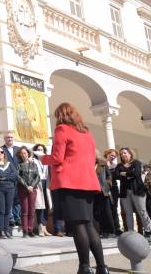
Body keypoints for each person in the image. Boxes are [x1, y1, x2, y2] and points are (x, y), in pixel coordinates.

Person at [39, 102, 108, 274]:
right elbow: (92, 158)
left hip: (70, 182)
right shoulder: (87, 133)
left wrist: (42, 158)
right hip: (87, 183)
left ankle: (84, 267)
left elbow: (57, 158)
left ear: (61, 115)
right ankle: (102, 267)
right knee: (88, 224)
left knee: (78, 225)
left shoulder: (62, 129)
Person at [115, 147, 151, 236]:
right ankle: (131, 232)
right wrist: (129, 174)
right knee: (128, 213)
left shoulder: (136, 163)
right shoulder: (119, 165)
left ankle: (148, 230)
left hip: (137, 190)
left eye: (125, 153)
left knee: (142, 211)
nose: (123, 155)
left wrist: (123, 174)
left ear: (130, 154)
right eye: (121, 153)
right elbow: (115, 175)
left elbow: (136, 174)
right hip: (125, 192)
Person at [0, 147, 18, 239]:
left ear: (4, 154)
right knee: (1, 210)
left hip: (10, 189)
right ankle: (1, 231)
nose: (0, 154)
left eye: (2, 152)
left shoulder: (9, 164)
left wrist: (4, 178)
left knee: (7, 210)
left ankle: (7, 230)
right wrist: (8, 176)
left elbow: (15, 175)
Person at [16, 146, 40, 238]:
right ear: (20, 155)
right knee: (25, 210)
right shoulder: (19, 165)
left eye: (25, 153)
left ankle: (30, 230)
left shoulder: (34, 165)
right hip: (23, 189)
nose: (23, 155)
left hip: (33, 190)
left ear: (28, 153)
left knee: (31, 210)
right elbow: (18, 177)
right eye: (21, 153)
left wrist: (32, 186)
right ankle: (25, 231)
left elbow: (37, 177)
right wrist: (26, 186)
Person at [2, 131, 21, 227]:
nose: (9, 139)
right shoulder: (1, 150)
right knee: (9, 199)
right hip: (8, 178)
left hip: (18, 179)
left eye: (11, 137)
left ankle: (17, 217)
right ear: (4, 139)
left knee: (17, 199)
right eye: (7, 137)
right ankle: (10, 218)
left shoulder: (18, 150)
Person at [93, 153, 115, 238]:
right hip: (92, 191)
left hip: (103, 190)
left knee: (106, 212)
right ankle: (98, 231)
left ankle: (108, 231)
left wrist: (108, 185)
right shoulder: (87, 164)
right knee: (95, 213)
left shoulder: (102, 163)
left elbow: (109, 176)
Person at [32, 144, 52, 236]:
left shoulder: (46, 160)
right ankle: (40, 227)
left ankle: (45, 227)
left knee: (47, 205)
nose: (40, 151)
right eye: (38, 149)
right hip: (38, 183)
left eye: (42, 150)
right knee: (40, 206)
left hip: (46, 183)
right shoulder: (33, 160)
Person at [104, 149, 122, 235]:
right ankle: (109, 228)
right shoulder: (102, 164)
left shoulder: (116, 166)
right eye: (112, 155)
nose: (113, 157)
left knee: (114, 208)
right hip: (105, 189)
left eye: (115, 156)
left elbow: (118, 176)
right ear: (107, 154)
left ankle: (117, 228)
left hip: (114, 189)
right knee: (106, 209)